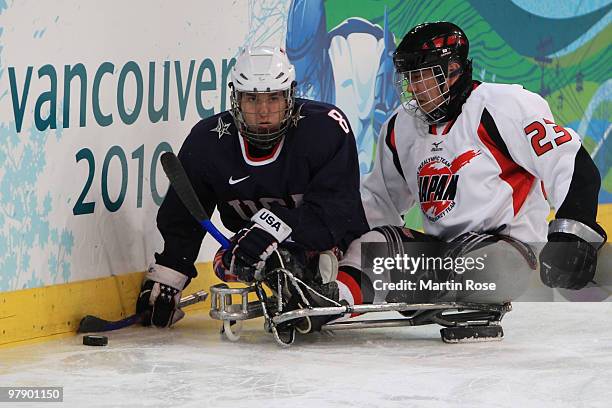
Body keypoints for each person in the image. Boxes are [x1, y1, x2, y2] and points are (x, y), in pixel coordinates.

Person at [338, 21, 607, 306]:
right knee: (368, 248)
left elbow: (570, 161)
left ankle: (434, 293)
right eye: (409, 78)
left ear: (453, 70)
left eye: (423, 76)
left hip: (508, 251)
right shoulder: (399, 127)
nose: (415, 87)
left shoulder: (503, 106)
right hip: (442, 256)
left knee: (485, 265)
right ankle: (335, 301)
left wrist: (573, 236)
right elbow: (379, 202)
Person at [136, 46, 369, 329]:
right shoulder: (208, 141)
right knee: (232, 260)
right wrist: (170, 275)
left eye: (273, 98)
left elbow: (334, 213)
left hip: (338, 248)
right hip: (262, 254)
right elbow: (183, 218)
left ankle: (334, 293)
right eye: (252, 98)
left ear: (290, 96)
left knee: (378, 248)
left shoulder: (325, 129)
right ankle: (291, 279)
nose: (263, 111)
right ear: (236, 98)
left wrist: (272, 226)